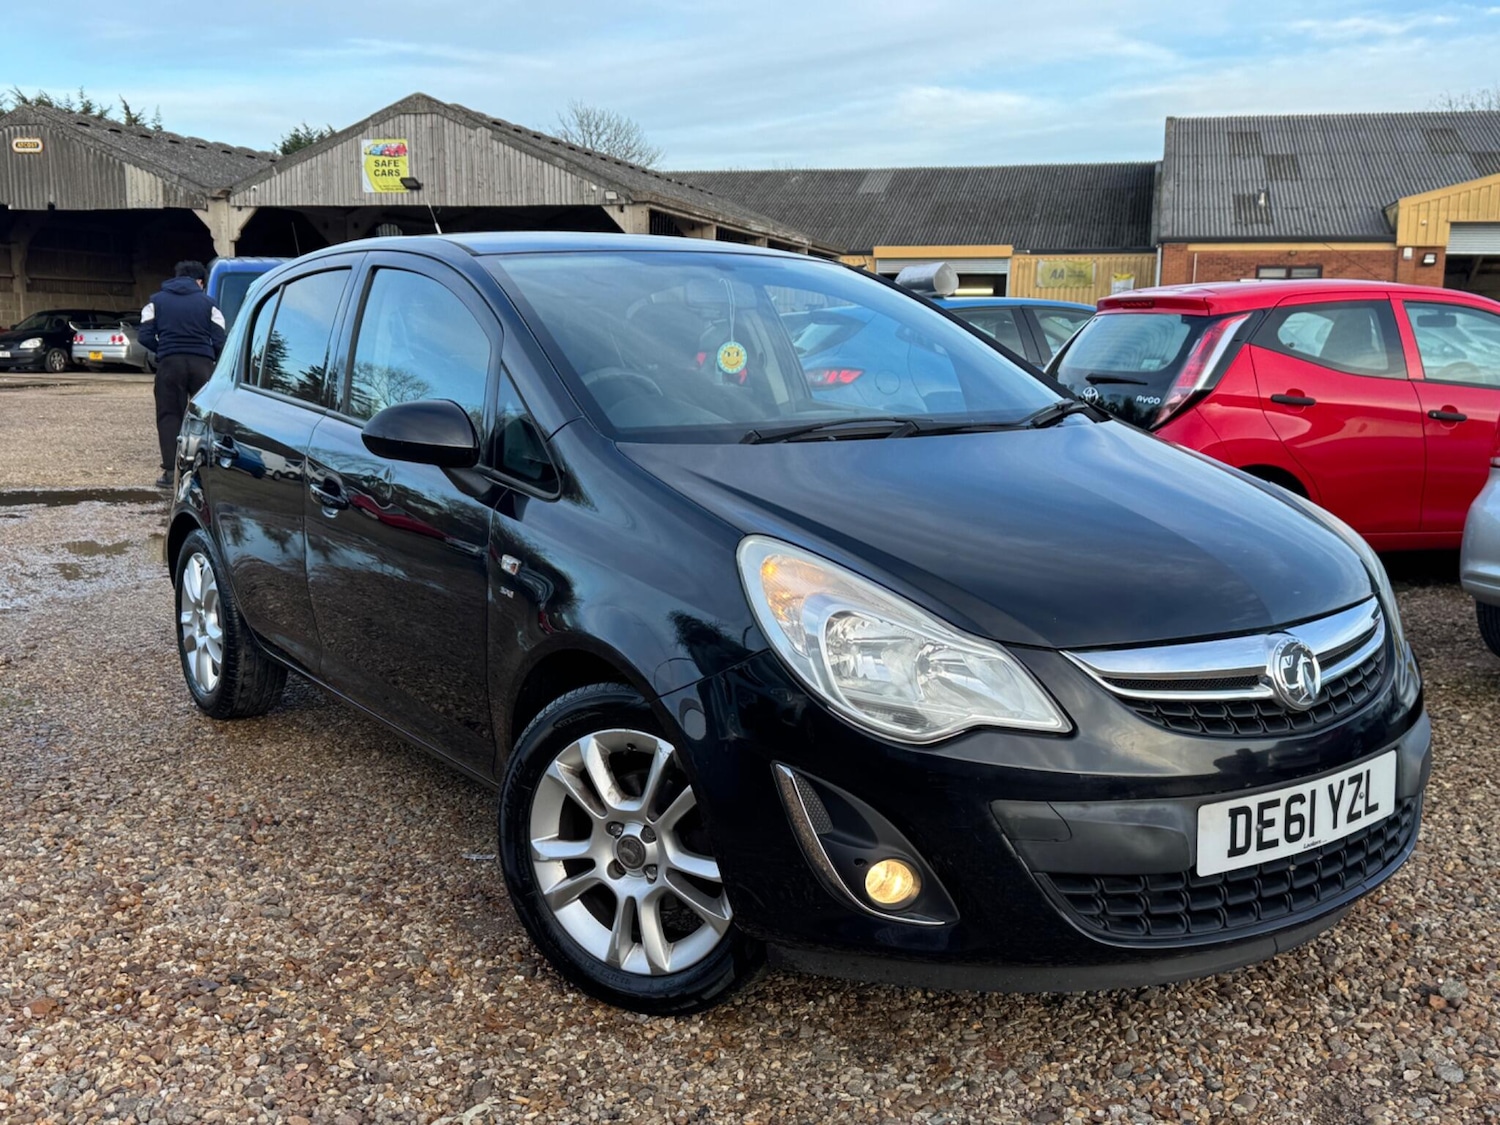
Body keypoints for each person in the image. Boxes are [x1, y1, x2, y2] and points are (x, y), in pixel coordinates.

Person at [141, 261, 226, 488]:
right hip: (202, 365)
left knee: (169, 415)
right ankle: (203, 470)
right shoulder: (209, 303)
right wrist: (212, 358)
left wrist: (164, 350)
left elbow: (144, 335)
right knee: (204, 417)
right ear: (199, 282)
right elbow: (220, 338)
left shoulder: (156, 301)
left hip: (170, 365)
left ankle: (171, 473)